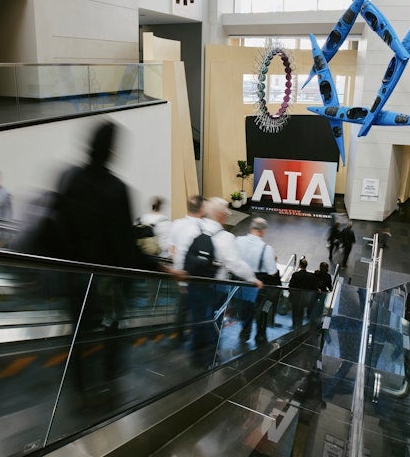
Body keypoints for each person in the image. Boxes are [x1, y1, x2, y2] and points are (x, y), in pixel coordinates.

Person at [40, 120, 180, 401]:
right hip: (106, 281)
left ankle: (79, 389)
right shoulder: (116, 189)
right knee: (112, 331)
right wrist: (160, 268)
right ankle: (108, 385)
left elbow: (56, 225)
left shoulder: (69, 178)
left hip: (73, 277)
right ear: (112, 151)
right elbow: (126, 246)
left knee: (79, 334)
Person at [187, 197, 262, 366]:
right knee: (213, 321)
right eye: (226, 211)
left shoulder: (194, 227)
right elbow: (235, 264)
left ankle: (195, 355)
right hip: (215, 286)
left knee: (197, 318)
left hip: (193, 282)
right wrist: (253, 279)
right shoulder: (226, 237)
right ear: (221, 215)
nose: (228, 214)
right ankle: (210, 358)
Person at [235, 217, 278, 344]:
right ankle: (260, 335)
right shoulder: (266, 249)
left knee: (245, 308)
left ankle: (245, 332)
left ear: (251, 227)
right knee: (261, 309)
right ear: (263, 230)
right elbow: (272, 272)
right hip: (257, 284)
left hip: (240, 281)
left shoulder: (238, 241)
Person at [168, 194, 205, 343]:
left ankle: (179, 336)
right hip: (195, 275)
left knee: (182, 306)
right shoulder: (203, 228)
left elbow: (171, 249)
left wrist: (178, 266)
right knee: (197, 307)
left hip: (178, 274)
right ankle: (195, 337)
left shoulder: (176, 224)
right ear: (202, 209)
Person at [288, 257, 318, 329]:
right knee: (301, 311)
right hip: (305, 297)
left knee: (295, 311)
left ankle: (294, 325)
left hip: (295, 297)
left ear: (300, 265)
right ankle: (300, 325)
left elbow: (291, 286)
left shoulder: (295, 274)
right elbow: (313, 287)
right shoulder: (311, 276)